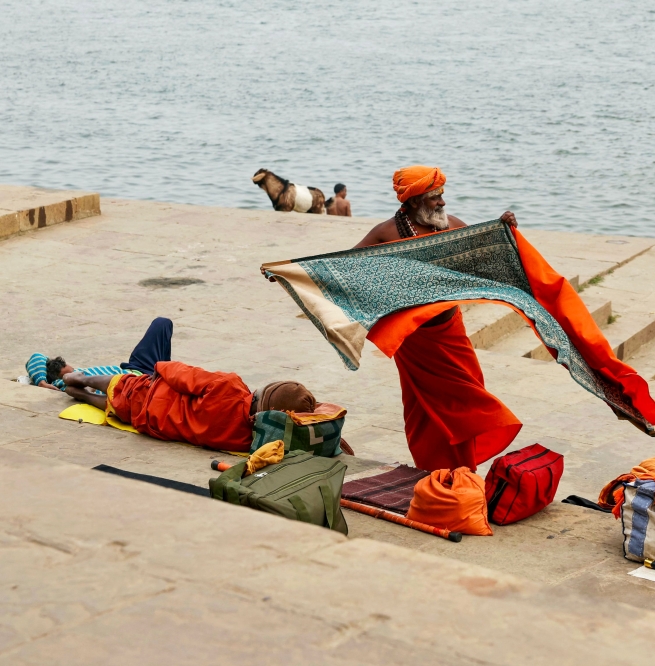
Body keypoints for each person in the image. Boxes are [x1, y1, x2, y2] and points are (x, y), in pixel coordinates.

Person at [353, 165, 522, 472]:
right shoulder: (386, 233)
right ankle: (432, 469)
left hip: (449, 330)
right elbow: (344, 267)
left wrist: (503, 228)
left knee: (468, 396)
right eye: (434, 198)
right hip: (414, 340)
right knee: (422, 409)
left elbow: (486, 250)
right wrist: (291, 275)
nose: (442, 203)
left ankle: (463, 470)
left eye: (442, 196)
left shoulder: (451, 226)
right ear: (413, 202)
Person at [62, 361, 315, 452]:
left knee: (122, 384)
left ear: (261, 394)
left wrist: (160, 368)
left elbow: (182, 373)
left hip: (146, 395)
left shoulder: (230, 387)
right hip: (145, 421)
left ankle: (79, 379)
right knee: (110, 403)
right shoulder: (245, 439)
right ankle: (83, 395)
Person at [26, 317, 173, 391]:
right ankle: (165, 379)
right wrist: (43, 383)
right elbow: (34, 359)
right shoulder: (63, 384)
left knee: (162, 323)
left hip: (136, 366)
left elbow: (38, 356)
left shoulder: (77, 372)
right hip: (139, 381)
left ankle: (165, 374)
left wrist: (41, 381)